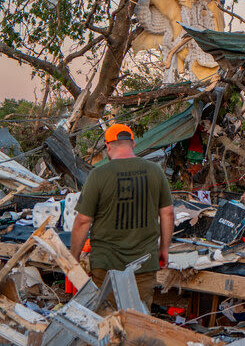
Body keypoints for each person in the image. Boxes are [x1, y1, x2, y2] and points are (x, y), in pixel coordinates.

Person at [71, 123, 173, 308]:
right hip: (144, 264)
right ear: (133, 144)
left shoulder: (98, 175)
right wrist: (164, 250)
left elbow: (83, 220)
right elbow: (167, 213)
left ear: (108, 146)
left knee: (106, 321)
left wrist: (74, 256)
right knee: (138, 321)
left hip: (106, 265)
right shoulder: (155, 171)